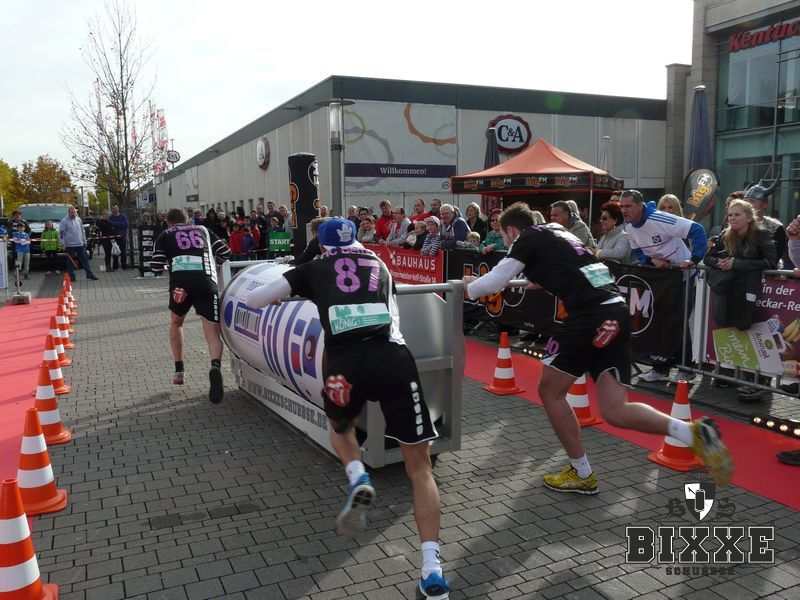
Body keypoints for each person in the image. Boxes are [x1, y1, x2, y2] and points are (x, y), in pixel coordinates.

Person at [463, 201, 733, 492]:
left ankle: (581, 472)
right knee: (615, 410)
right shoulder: (557, 232)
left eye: (504, 237)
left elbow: (494, 280)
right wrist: (536, 278)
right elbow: (572, 269)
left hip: (590, 316)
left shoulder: (527, 237)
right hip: (615, 312)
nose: (506, 243)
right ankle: (692, 433)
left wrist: (469, 286)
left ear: (512, 230)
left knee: (550, 391)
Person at [244, 218, 450, 599]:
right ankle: (432, 570)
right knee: (421, 469)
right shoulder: (379, 263)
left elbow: (254, 300)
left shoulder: (314, 267)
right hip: (393, 358)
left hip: (346, 364)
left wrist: (282, 296)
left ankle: (357, 477)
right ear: (355, 240)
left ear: (322, 245)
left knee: (340, 428)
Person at [620, 189, 707, 383]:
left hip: (683, 278)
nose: (624, 210)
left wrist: (694, 259)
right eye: (621, 207)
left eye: (628, 206)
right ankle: (660, 368)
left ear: (640, 206)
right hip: (660, 279)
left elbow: (697, 230)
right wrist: (652, 261)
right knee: (658, 321)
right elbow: (638, 252)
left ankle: (686, 369)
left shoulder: (660, 219)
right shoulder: (630, 227)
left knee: (678, 321)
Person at [150, 208, 230, 403]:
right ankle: (215, 366)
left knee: (176, 323)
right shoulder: (203, 230)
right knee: (212, 331)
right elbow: (225, 252)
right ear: (188, 221)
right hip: (205, 281)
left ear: (169, 223)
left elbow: (155, 266)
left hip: (180, 285)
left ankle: (179, 371)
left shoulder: (165, 234)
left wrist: (165, 267)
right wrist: (216, 263)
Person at [59, 206, 98, 282]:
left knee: (84, 259)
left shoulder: (78, 220)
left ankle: (89, 274)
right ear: (68, 213)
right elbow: (61, 233)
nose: (73, 214)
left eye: (74, 212)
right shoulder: (64, 221)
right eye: (72, 212)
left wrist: (84, 241)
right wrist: (62, 243)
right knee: (70, 261)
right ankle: (71, 276)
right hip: (70, 245)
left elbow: (82, 231)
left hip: (79, 244)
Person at [108, 205, 129, 269]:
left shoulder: (123, 216)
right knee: (115, 251)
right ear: (112, 210)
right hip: (114, 237)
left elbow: (125, 224)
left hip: (122, 236)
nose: (115, 209)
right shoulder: (111, 217)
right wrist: (120, 224)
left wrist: (115, 224)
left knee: (123, 251)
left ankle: (124, 265)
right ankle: (115, 266)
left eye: (116, 208)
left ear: (118, 209)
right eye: (113, 208)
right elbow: (110, 224)